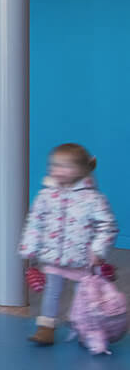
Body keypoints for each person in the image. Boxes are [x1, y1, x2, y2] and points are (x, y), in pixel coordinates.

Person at [19, 142, 118, 347]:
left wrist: (97, 250)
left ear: (80, 170)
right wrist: (29, 248)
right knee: (52, 292)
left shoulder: (93, 199)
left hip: (81, 259)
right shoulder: (46, 196)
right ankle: (46, 328)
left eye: (64, 166)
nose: (56, 170)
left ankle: (82, 327)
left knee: (84, 297)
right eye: (53, 165)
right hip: (53, 256)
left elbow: (108, 225)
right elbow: (35, 222)